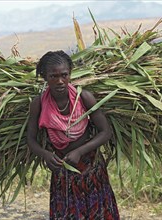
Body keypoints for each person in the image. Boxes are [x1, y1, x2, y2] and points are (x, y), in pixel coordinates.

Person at [27, 50, 120, 219]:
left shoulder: (83, 97)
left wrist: (79, 151)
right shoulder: (38, 104)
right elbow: (30, 139)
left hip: (91, 168)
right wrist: (46, 155)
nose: (60, 81)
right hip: (62, 169)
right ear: (44, 77)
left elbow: (106, 132)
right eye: (53, 76)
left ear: (70, 74)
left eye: (64, 75)